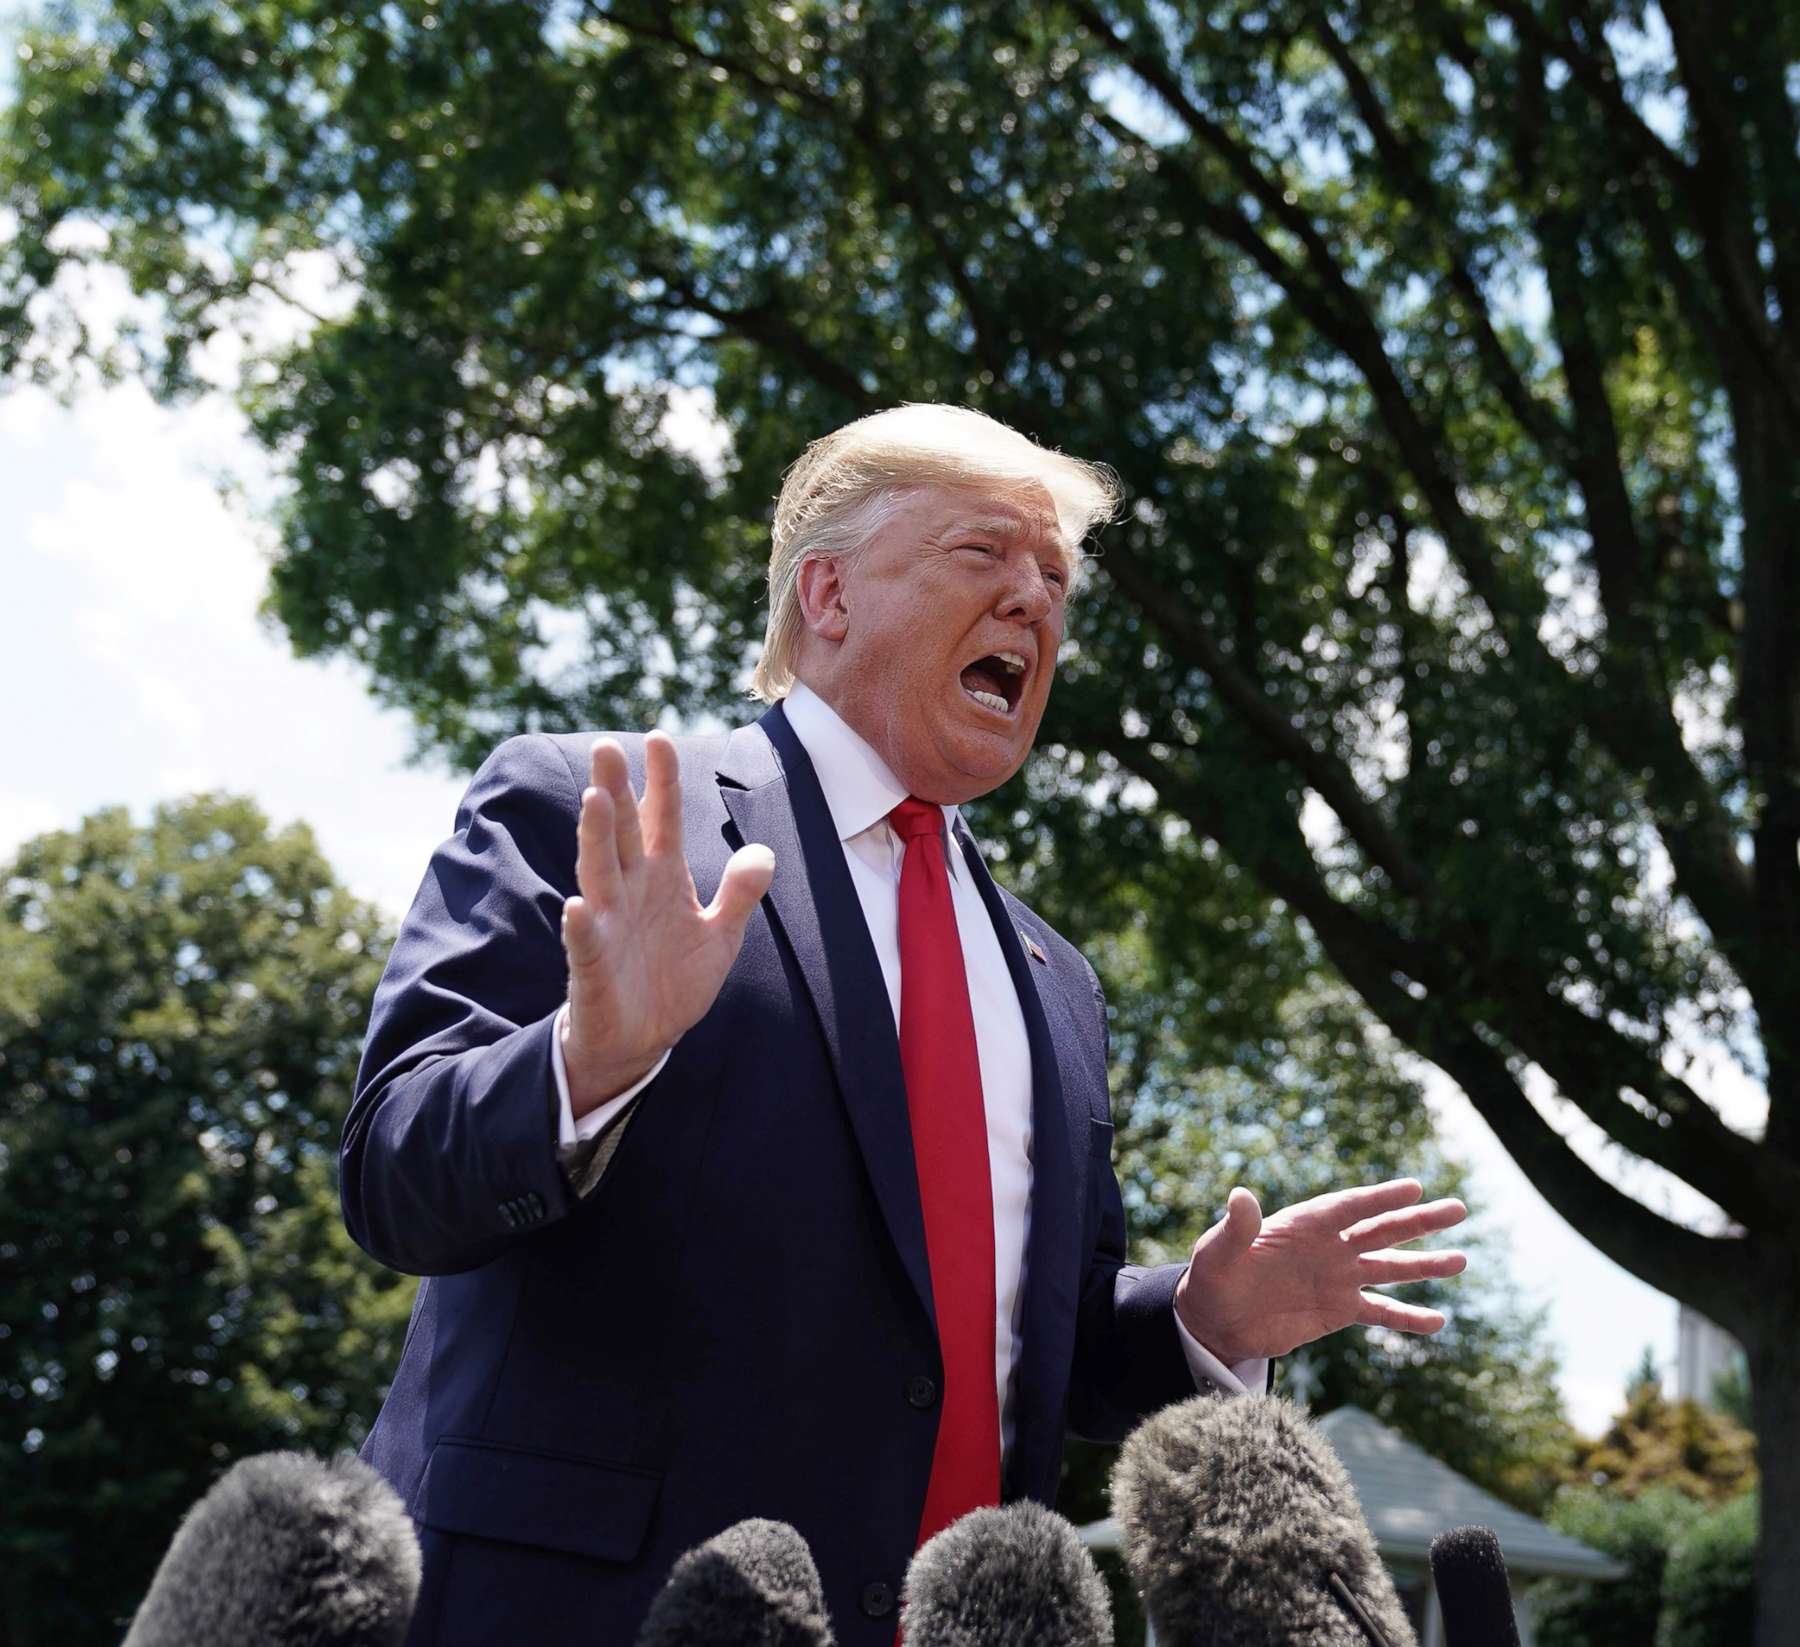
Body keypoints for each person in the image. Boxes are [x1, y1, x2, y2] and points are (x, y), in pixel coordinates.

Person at [340, 404, 1470, 1647]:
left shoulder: (1055, 981)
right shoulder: (596, 812)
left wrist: (1202, 1323)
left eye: (1056, 579)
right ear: (827, 593)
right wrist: (587, 1061)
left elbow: (1031, 1350)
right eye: (985, 555)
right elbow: (398, 1175)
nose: (1035, 602)